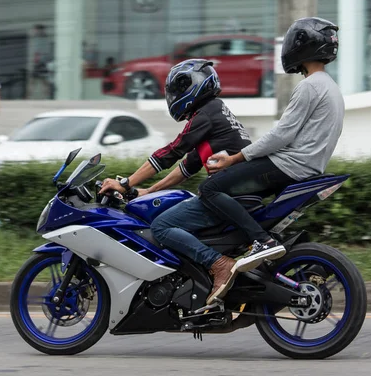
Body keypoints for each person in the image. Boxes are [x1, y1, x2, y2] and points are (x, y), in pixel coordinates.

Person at [195, 17, 345, 298]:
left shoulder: (310, 86)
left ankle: (261, 241)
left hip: (287, 166)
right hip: (310, 168)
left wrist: (235, 158)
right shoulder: (332, 88)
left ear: (301, 47)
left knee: (210, 188)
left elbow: (281, 136)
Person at [99, 58, 252, 303]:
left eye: (178, 90)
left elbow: (170, 152)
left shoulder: (206, 114)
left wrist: (125, 183)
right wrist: (148, 190)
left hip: (227, 197)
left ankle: (219, 264)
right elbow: (187, 166)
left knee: (160, 227)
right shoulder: (215, 110)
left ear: (195, 86)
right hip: (235, 193)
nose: (174, 96)